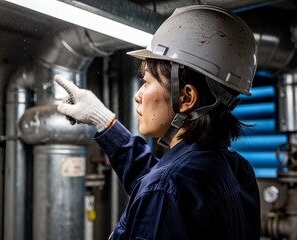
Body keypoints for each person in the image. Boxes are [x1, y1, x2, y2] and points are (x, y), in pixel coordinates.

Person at [54, 4, 260, 240]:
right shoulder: (236, 169)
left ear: (186, 98)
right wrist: (103, 120)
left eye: (147, 82)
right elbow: (158, 181)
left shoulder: (168, 187)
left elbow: (161, 188)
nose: (138, 95)